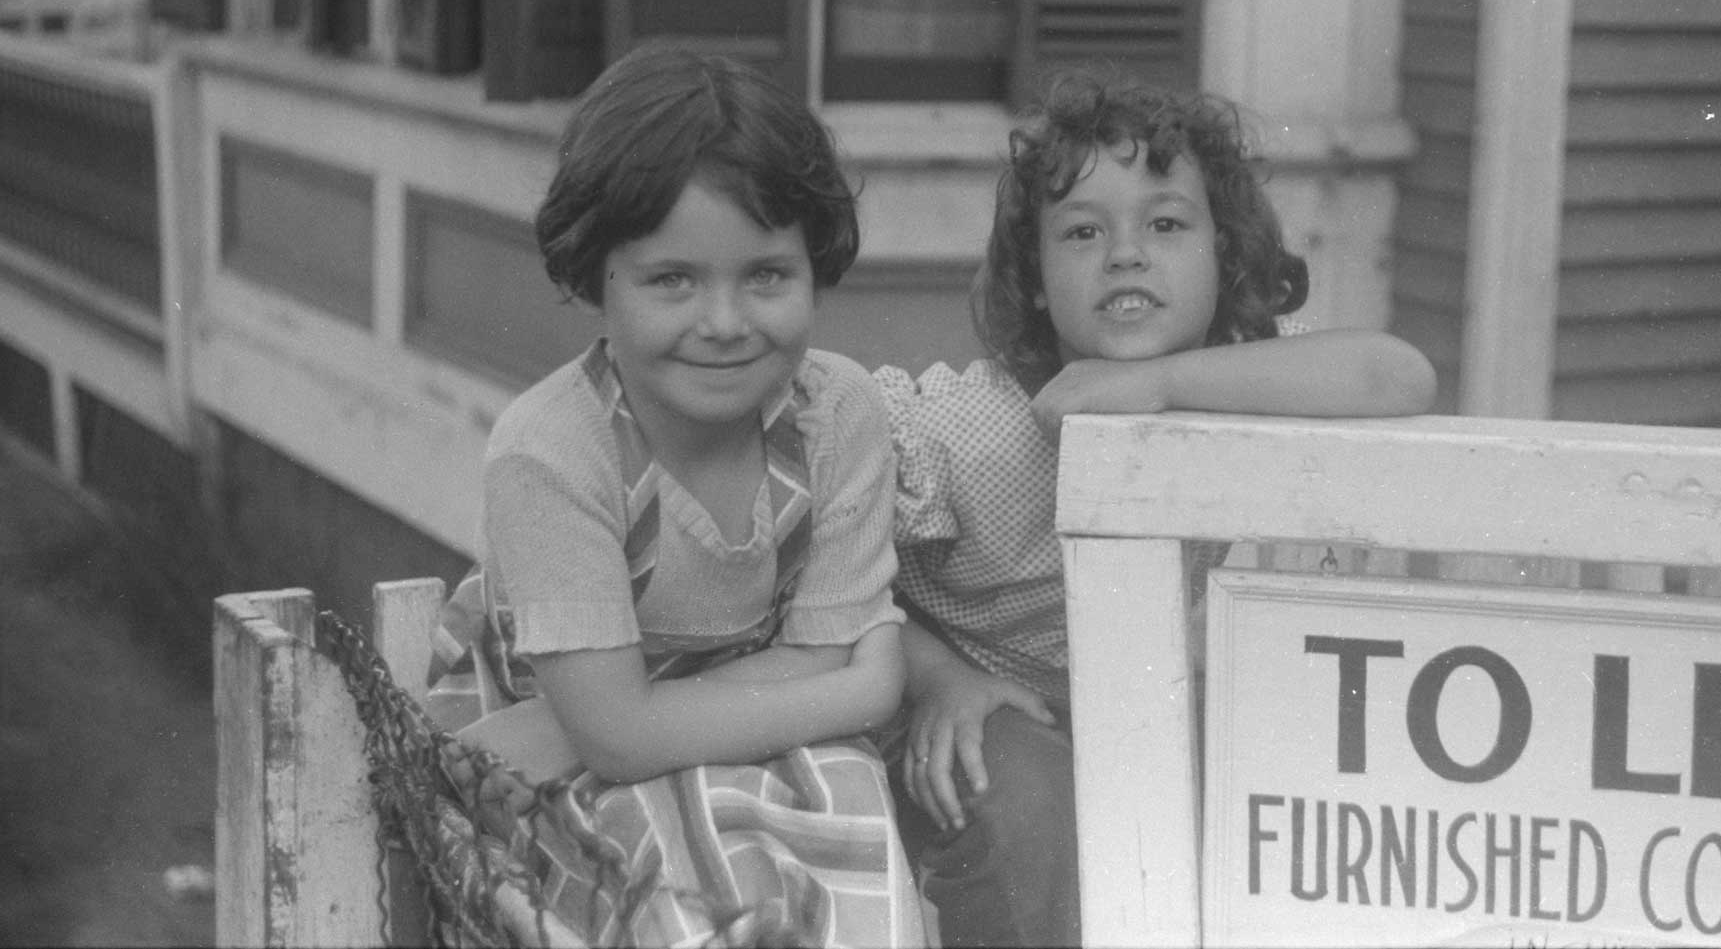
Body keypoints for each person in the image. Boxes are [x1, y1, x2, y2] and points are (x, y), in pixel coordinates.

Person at [876, 73, 1439, 947]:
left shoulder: (1248, 383)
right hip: (1015, 721)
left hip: (1185, 731)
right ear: (1032, 276)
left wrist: (1159, 382)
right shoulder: (965, 426)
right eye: (1083, 231)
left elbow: (1399, 375)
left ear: (1227, 255)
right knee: (1021, 797)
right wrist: (939, 678)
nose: (1126, 253)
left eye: (1167, 223)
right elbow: (826, 554)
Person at [425, 49, 925, 948]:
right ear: (595, 277)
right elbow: (620, 740)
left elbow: (814, 658)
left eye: (767, 275)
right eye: (672, 280)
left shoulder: (838, 412)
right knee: (683, 862)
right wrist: (867, 685)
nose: (726, 322)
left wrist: (631, 718)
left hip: (709, 744)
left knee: (846, 825)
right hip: (564, 774)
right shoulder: (555, 450)